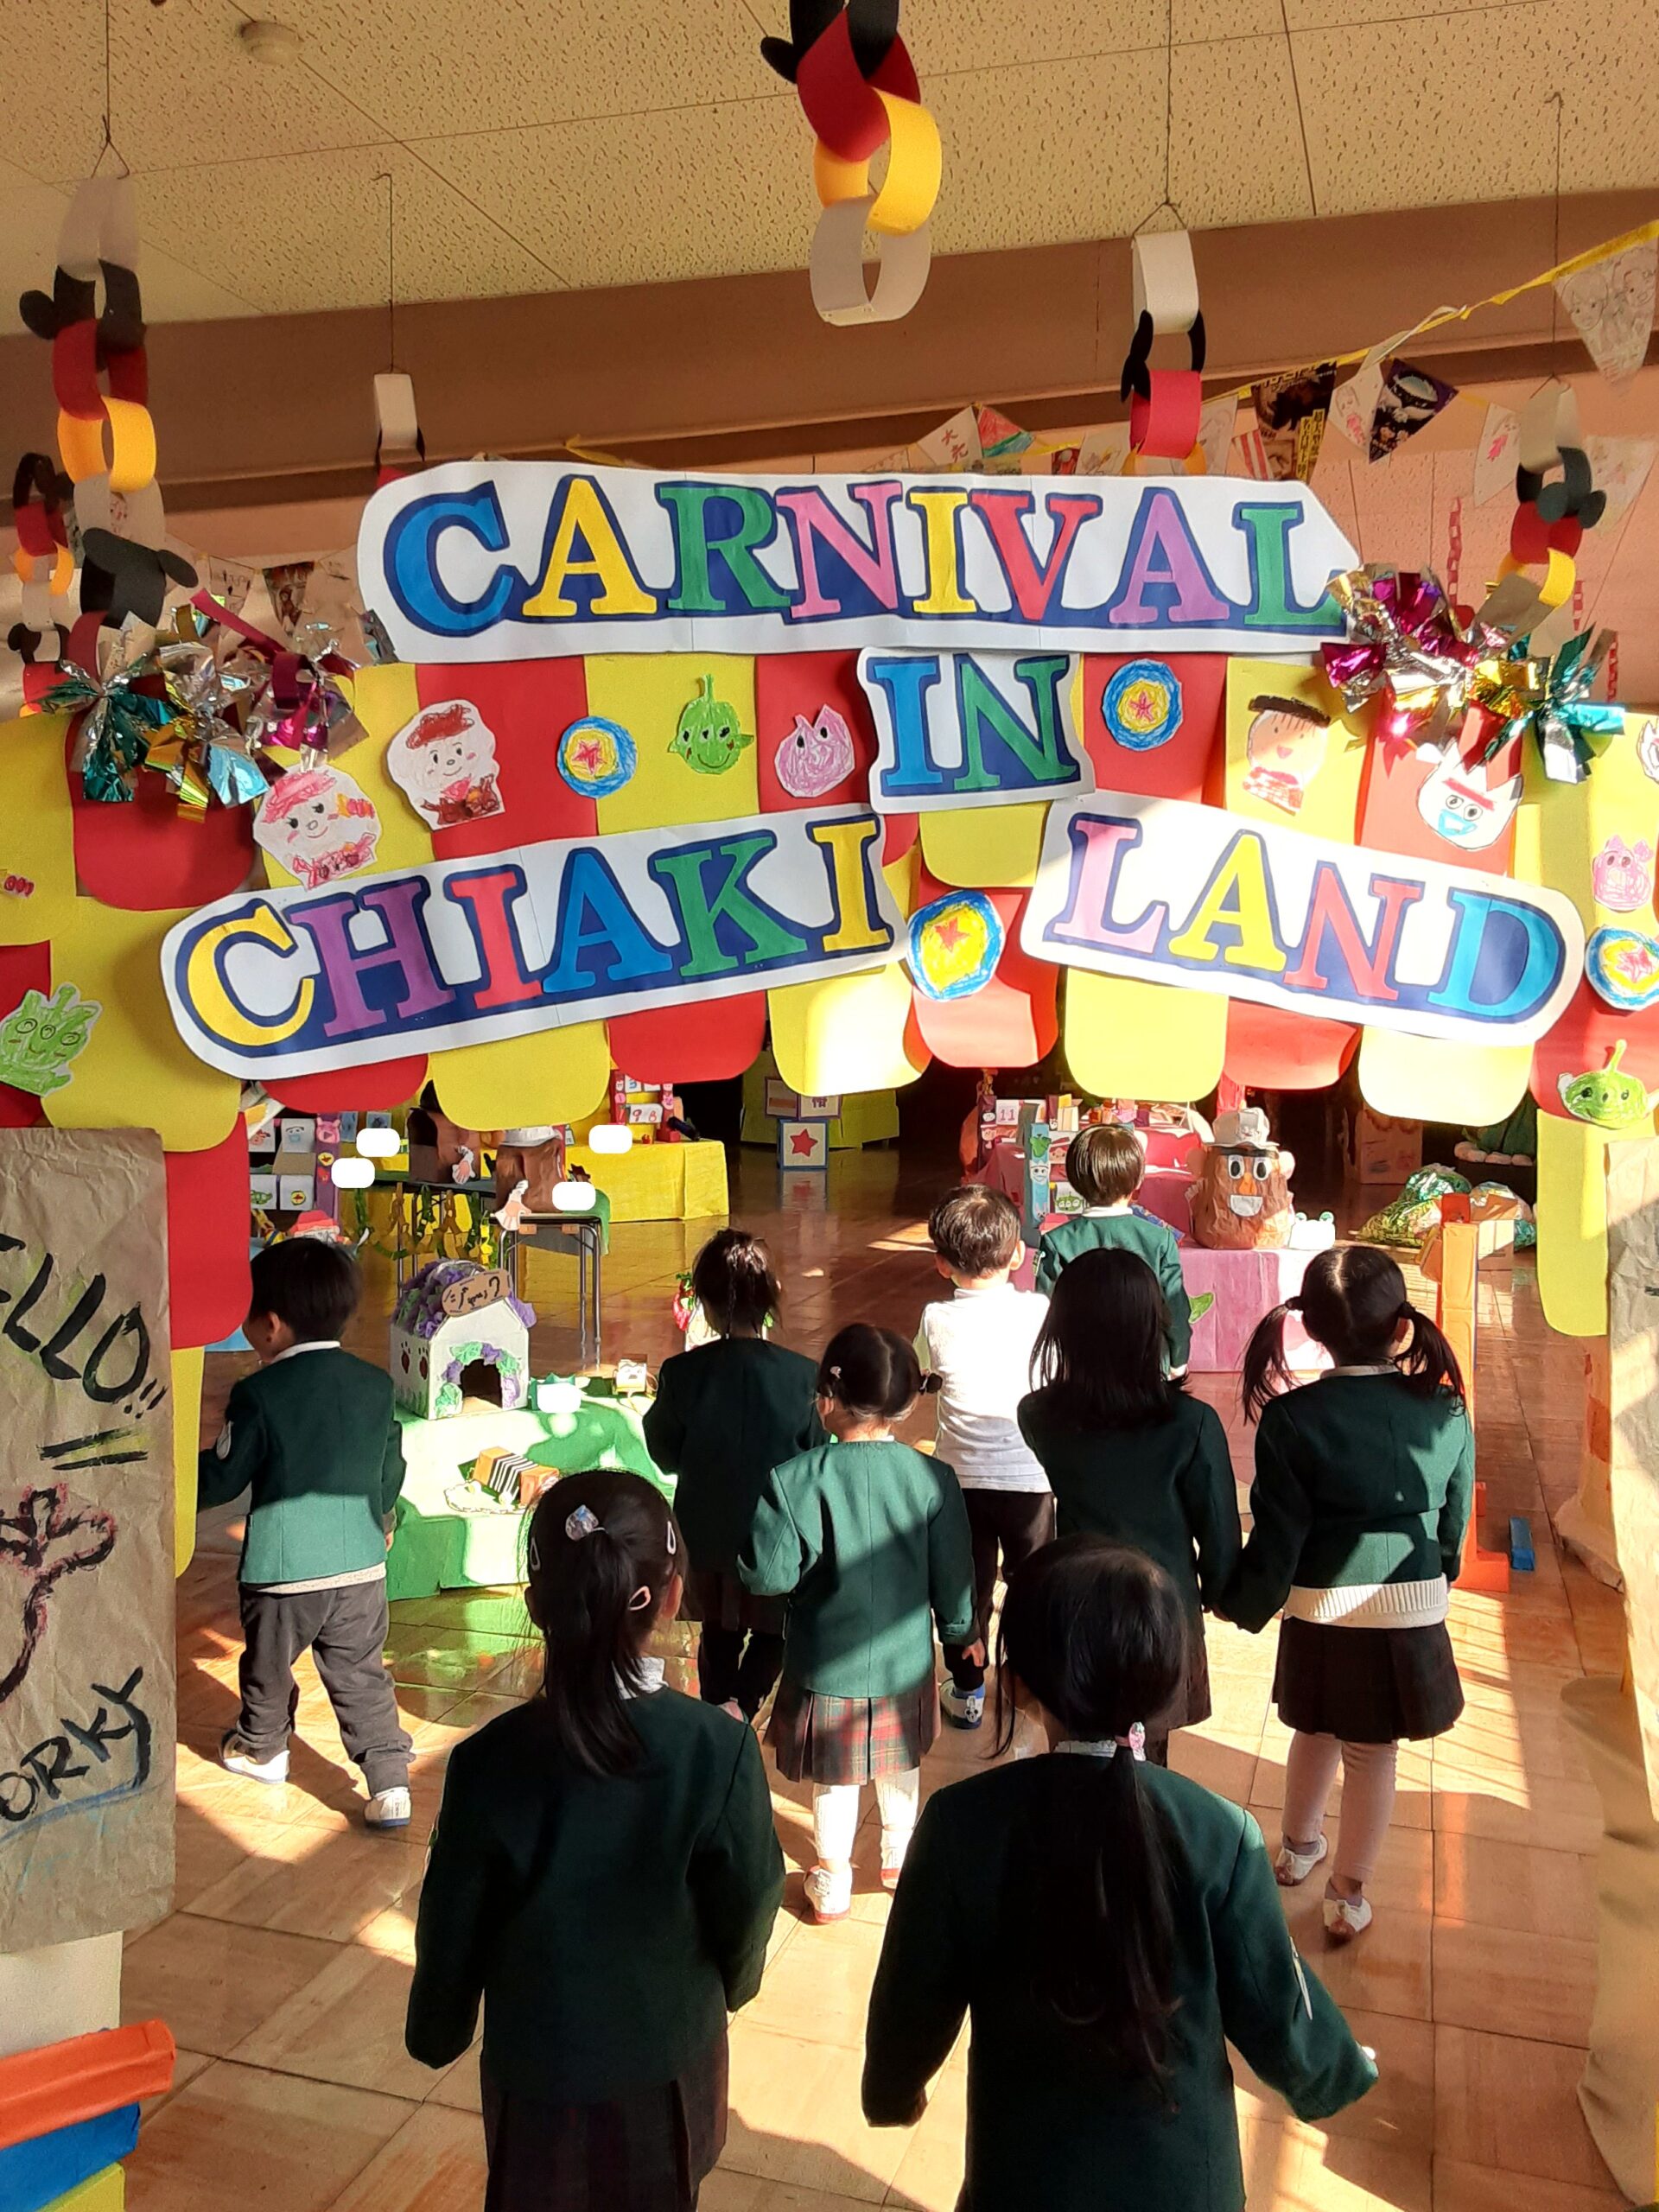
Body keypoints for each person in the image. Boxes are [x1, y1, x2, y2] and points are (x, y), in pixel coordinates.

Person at [862, 1539, 1376, 2210]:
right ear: (1165, 1685)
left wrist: (894, 2092)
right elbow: (1277, 2004)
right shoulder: (1220, 1834)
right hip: (1187, 2187)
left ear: (1016, 1683)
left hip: (1024, 2182)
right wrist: (1336, 2070)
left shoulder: (962, 1825)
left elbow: (911, 1998)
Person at [407, 1471, 785, 2212]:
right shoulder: (719, 1750)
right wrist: (735, 1985)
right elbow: (751, 1899)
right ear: (673, 1598)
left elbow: (453, 1919)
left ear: (534, 1604)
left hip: (535, 2077)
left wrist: (438, 2028)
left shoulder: (486, 1762)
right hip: (670, 2066)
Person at [1224, 1244, 1474, 1942]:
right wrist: (1440, 1573)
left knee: (1314, 1728)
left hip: (1318, 1606)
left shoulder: (1291, 1417)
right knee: (1373, 1752)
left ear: (1310, 1328)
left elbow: (1279, 1536)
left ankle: (1297, 1848)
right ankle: (1347, 1895)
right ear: (1401, 1327)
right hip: (1410, 1605)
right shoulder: (1446, 1408)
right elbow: (1454, 1518)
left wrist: (1242, 1603)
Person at [740, 1325, 975, 1923]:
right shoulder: (934, 1479)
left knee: (835, 1779)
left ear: (827, 1399)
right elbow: (953, 1577)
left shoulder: (793, 1479)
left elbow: (767, 1576)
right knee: (902, 1763)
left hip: (825, 1665)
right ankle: (899, 1857)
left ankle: (832, 1880)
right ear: (908, 1404)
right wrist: (962, 1634)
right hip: (906, 1663)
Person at [197, 1239, 412, 1829]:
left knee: (269, 1664)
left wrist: (166, 1484)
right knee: (361, 1672)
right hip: (363, 1566)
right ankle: (390, 1780)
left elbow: (224, 1477)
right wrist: (383, 1519)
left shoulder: (258, 1394)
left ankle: (263, 1748)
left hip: (283, 1572)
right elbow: (389, 1466)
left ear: (269, 1325)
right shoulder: (375, 1385)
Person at [1017, 1248, 1239, 1764]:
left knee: (1072, 1754)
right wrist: (1227, 1595)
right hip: (1162, 1616)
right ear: (1153, 1329)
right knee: (1146, 1766)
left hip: (1075, 1612)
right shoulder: (1192, 1424)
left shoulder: (1038, 1415)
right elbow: (1220, 1537)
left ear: (1062, 1330)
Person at [645, 1229, 822, 1723]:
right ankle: (743, 1706)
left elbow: (663, 1452)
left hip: (705, 1537)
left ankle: (719, 1713)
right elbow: (814, 1454)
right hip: (780, 1536)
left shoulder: (681, 1372)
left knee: (718, 1632)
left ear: (702, 1301)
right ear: (772, 1297)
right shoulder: (803, 1375)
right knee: (775, 1630)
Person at [915, 1185, 1052, 1732]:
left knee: (964, 1587)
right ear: (1018, 1254)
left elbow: (923, 1375)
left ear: (942, 1264)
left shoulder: (934, 1318)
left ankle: (968, 1688)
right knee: (1033, 1581)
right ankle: (1028, 1680)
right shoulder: (1039, 1310)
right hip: (1030, 1479)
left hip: (960, 1483)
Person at [1033, 1122, 1192, 1375]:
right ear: (1138, 1179)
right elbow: (1175, 1307)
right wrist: (1178, 1360)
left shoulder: (1057, 1241)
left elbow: (1045, 1310)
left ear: (1074, 1178)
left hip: (1081, 1370)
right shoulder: (1160, 1240)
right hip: (1148, 1368)